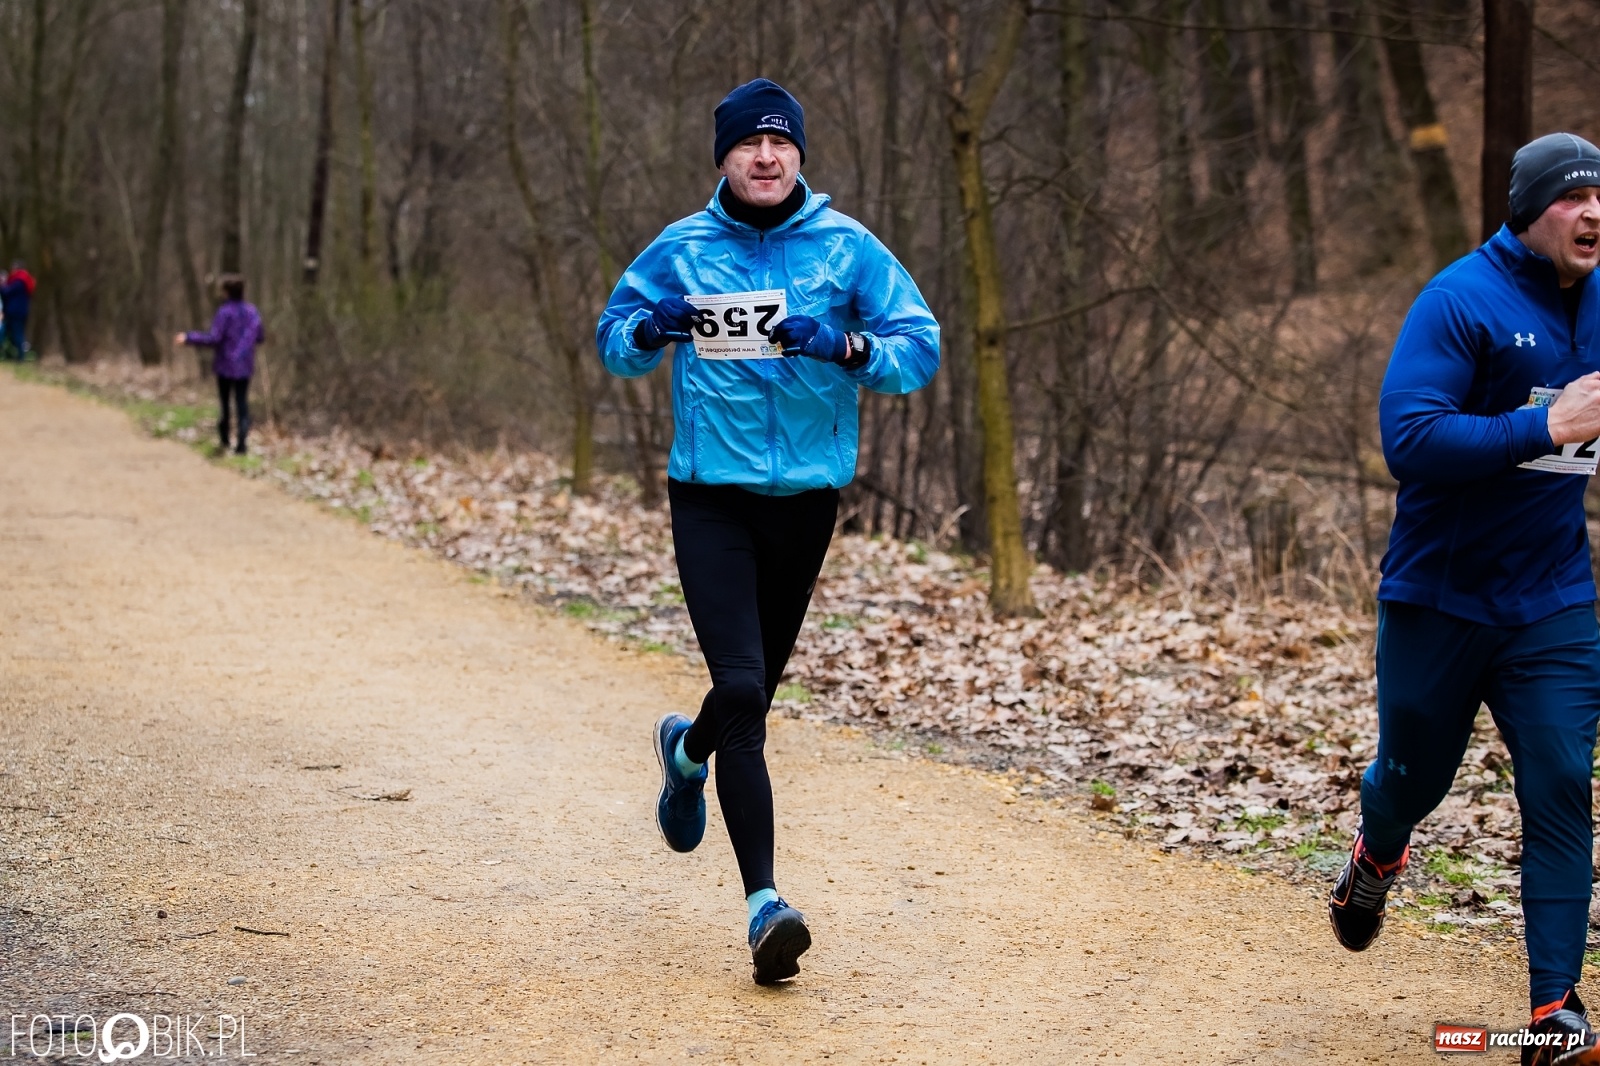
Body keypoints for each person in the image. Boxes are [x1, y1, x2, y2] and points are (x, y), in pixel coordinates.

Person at [596, 78, 939, 985]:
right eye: (749, 144)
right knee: (744, 688)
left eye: (780, 144)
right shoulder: (684, 246)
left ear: (798, 157)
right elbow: (613, 339)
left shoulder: (847, 247)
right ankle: (765, 907)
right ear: (725, 158)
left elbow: (919, 348)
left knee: (747, 698)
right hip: (709, 497)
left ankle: (686, 755)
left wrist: (846, 346)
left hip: (806, 504)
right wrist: (653, 327)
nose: (765, 156)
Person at [1330, 132, 1600, 1066]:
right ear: (1527, 212)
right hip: (1439, 598)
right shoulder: (1460, 300)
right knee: (1414, 780)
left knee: (1562, 782)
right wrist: (1546, 424)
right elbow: (1409, 440)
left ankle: (1553, 1014)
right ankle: (1378, 851)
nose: (1594, 213)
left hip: (1552, 597)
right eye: (1573, 198)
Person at [174, 275, 265, 455]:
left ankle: (225, 440)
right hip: (244, 365)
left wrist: (189, 338)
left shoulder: (224, 312)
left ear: (226, 292)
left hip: (225, 365)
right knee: (242, 403)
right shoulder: (252, 312)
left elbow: (214, 338)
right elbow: (260, 336)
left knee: (225, 404)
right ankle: (242, 444)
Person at [1, 260, 36, 361]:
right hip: (20, 311)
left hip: (15, 312)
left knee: (17, 334)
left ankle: (21, 357)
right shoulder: (25, 280)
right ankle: (12, 354)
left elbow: (7, 292)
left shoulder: (19, 281)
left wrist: (2, 286)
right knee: (9, 333)